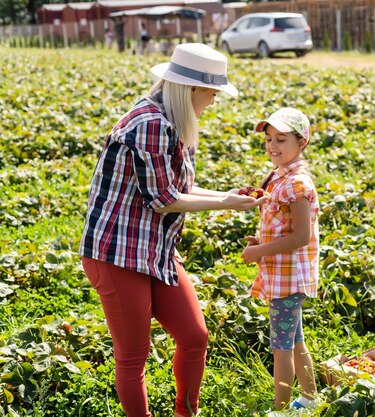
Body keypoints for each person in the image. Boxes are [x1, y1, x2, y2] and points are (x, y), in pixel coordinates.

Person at [79, 43, 266, 417]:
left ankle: (186, 413)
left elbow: (177, 189)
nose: (214, 100)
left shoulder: (175, 121)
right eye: (212, 92)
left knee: (195, 337)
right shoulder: (151, 124)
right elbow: (163, 199)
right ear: (191, 89)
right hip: (116, 252)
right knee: (134, 355)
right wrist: (223, 204)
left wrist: (226, 196)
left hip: (154, 247)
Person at [241, 107, 319, 412]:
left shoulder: (297, 184)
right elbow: (284, 230)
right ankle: (310, 399)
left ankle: (281, 409)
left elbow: (301, 236)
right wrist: (262, 243)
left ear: (301, 143)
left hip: (288, 280)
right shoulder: (279, 177)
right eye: (269, 138)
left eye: (282, 139)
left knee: (281, 349)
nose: (273, 145)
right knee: (295, 341)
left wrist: (259, 252)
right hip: (283, 275)